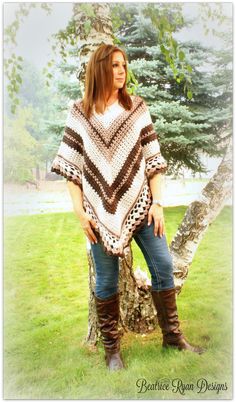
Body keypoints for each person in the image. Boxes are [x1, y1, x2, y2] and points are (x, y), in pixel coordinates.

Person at [51, 43, 204, 371]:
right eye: (115, 65)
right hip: (97, 214)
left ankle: (173, 338)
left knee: (163, 266)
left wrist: (159, 203)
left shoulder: (136, 108)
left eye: (124, 65)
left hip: (144, 207)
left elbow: (154, 161)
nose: (122, 71)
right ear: (100, 68)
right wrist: (80, 213)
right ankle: (112, 352)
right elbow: (71, 171)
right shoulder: (80, 112)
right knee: (106, 282)